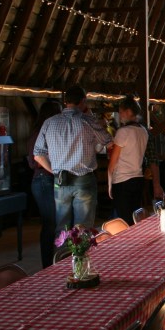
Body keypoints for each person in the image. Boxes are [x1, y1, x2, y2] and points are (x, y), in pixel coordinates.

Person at [33, 85, 112, 233]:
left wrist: (54, 171)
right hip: (84, 180)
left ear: (65, 101)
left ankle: (63, 256)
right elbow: (109, 141)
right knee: (83, 228)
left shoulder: (49, 122)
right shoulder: (88, 121)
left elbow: (37, 154)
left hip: (60, 180)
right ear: (83, 101)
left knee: (61, 229)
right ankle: (81, 256)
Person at [26, 99, 62, 268]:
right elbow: (37, 160)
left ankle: (52, 262)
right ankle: (47, 265)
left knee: (53, 223)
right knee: (50, 223)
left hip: (47, 179)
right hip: (42, 180)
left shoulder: (44, 130)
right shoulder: (40, 132)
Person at [107, 96, 149, 225]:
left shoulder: (123, 132)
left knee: (124, 220)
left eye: (120, 112)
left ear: (128, 112)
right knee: (135, 218)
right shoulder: (144, 131)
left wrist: (109, 184)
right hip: (138, 178)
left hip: (122, 180)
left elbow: (113, 162)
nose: (119, 115)